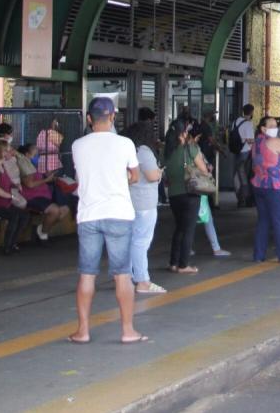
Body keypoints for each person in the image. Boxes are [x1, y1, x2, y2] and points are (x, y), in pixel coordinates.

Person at [69, 97, 144, 345]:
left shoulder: (78, 145)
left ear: (89, 119)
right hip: (119, 214)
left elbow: (81, 176)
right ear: (113, 117)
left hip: (89, 215)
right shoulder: (125, 144)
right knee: (122, 275)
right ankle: (127, 331)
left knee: (87, 274)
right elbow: (134, 176)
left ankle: (83, 331)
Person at [124, 122, 165, 294]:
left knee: (130, 241)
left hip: (130, 201)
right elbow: (152, 175)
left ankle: (125, 277)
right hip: (145, 203)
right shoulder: (143, 151)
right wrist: (160, 172)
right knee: (141, 242)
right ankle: (142, 281)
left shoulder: (127, 150)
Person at [165, 120, 210, 274]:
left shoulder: (167, 150)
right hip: (190, 193)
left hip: (173, 194)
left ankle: (173, 262)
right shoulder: (190, 149)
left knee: (179, 228)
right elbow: (203, 170)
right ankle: (183, 265)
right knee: (188, 229)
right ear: (183, 133)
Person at [250, 118, 280, 263]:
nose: (275, 128)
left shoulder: (256, 143)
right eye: (271, 126)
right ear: (263, 129)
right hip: (276, 187)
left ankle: (259, 255)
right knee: (279, 222)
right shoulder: (274, 141)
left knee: (263, 221)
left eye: (276, 126)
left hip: (260, 185)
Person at [15, 144, 69, 241]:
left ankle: (42, 228)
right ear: (27, 154)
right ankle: (43, 235)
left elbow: (45, 175)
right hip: (32, 196)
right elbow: (30, 184)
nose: (38, 157)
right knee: (55, 211)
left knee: (64, 210)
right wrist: (45, 180)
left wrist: (50, 175)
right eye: (35, 154)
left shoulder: (37, 165)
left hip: (44, 195)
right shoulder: (24, 166)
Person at [229, 104, 256, 208]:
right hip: (245, 152)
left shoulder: (235, 121)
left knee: (237, 174)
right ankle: (243, 199)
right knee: (244, 175)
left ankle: (239, 197)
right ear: (252, 112)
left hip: (236, 151)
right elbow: (250, 140)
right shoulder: (248, 124)